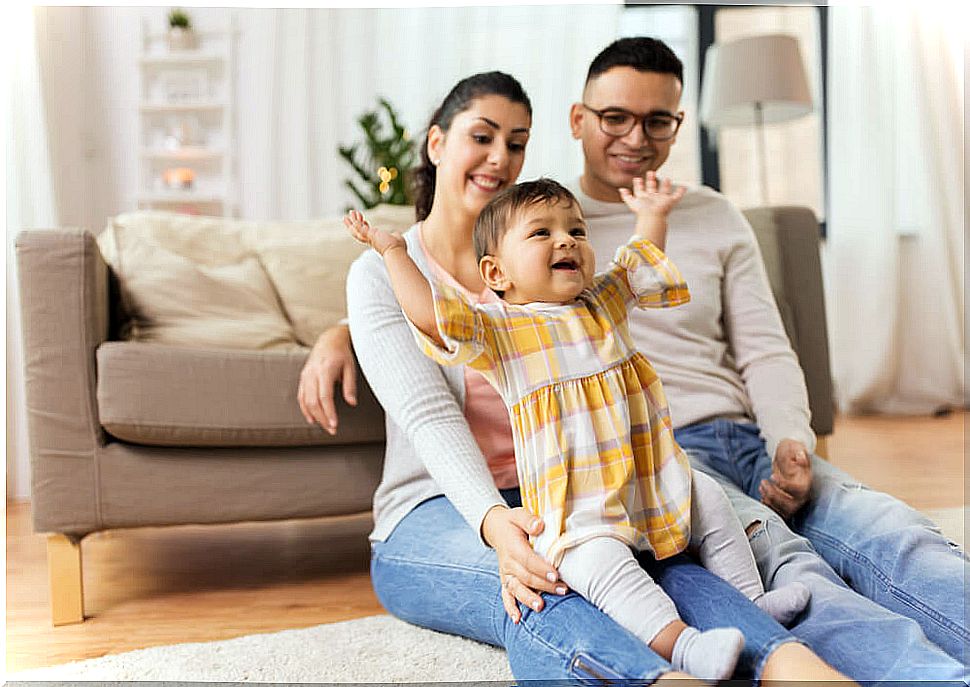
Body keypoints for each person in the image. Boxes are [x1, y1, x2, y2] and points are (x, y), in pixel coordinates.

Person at [299, 42, 969, 683]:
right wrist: (492, 519)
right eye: (482, 135)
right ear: (437, 142)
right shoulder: (430, 272)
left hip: (572, 488)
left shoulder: (554, 258)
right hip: (449, 505)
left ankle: (794, 665)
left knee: (701, 568)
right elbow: (428, 403)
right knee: (554, 583)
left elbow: (644, 280)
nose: (500, 156)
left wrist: (784, 434)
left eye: (517, 141)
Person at [563, 37, 969, 680]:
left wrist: (790, 440)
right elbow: (443, 284)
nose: (635, 137)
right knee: (789, 568)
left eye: (657, 120)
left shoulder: (715, 214)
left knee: (894, 531)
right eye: (615, 117)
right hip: (661, 458)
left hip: (746, 435)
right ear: (579, 119)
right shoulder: (546, 224)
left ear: (678, 122)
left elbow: (765, 348)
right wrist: (342, 332)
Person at [344, 176, 813, 680]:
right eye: (541, 233)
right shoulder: (499, 330)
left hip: (647, 483)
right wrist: (393, 252)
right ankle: (682, 647)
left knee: (711, 501)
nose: (566, 240)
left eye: (576, 230)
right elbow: (433, 318)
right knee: (602, 572)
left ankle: (753, 601)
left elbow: (639, 259)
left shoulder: (601, 304)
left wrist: (653, 213)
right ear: (496, 272)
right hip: (577, 512)